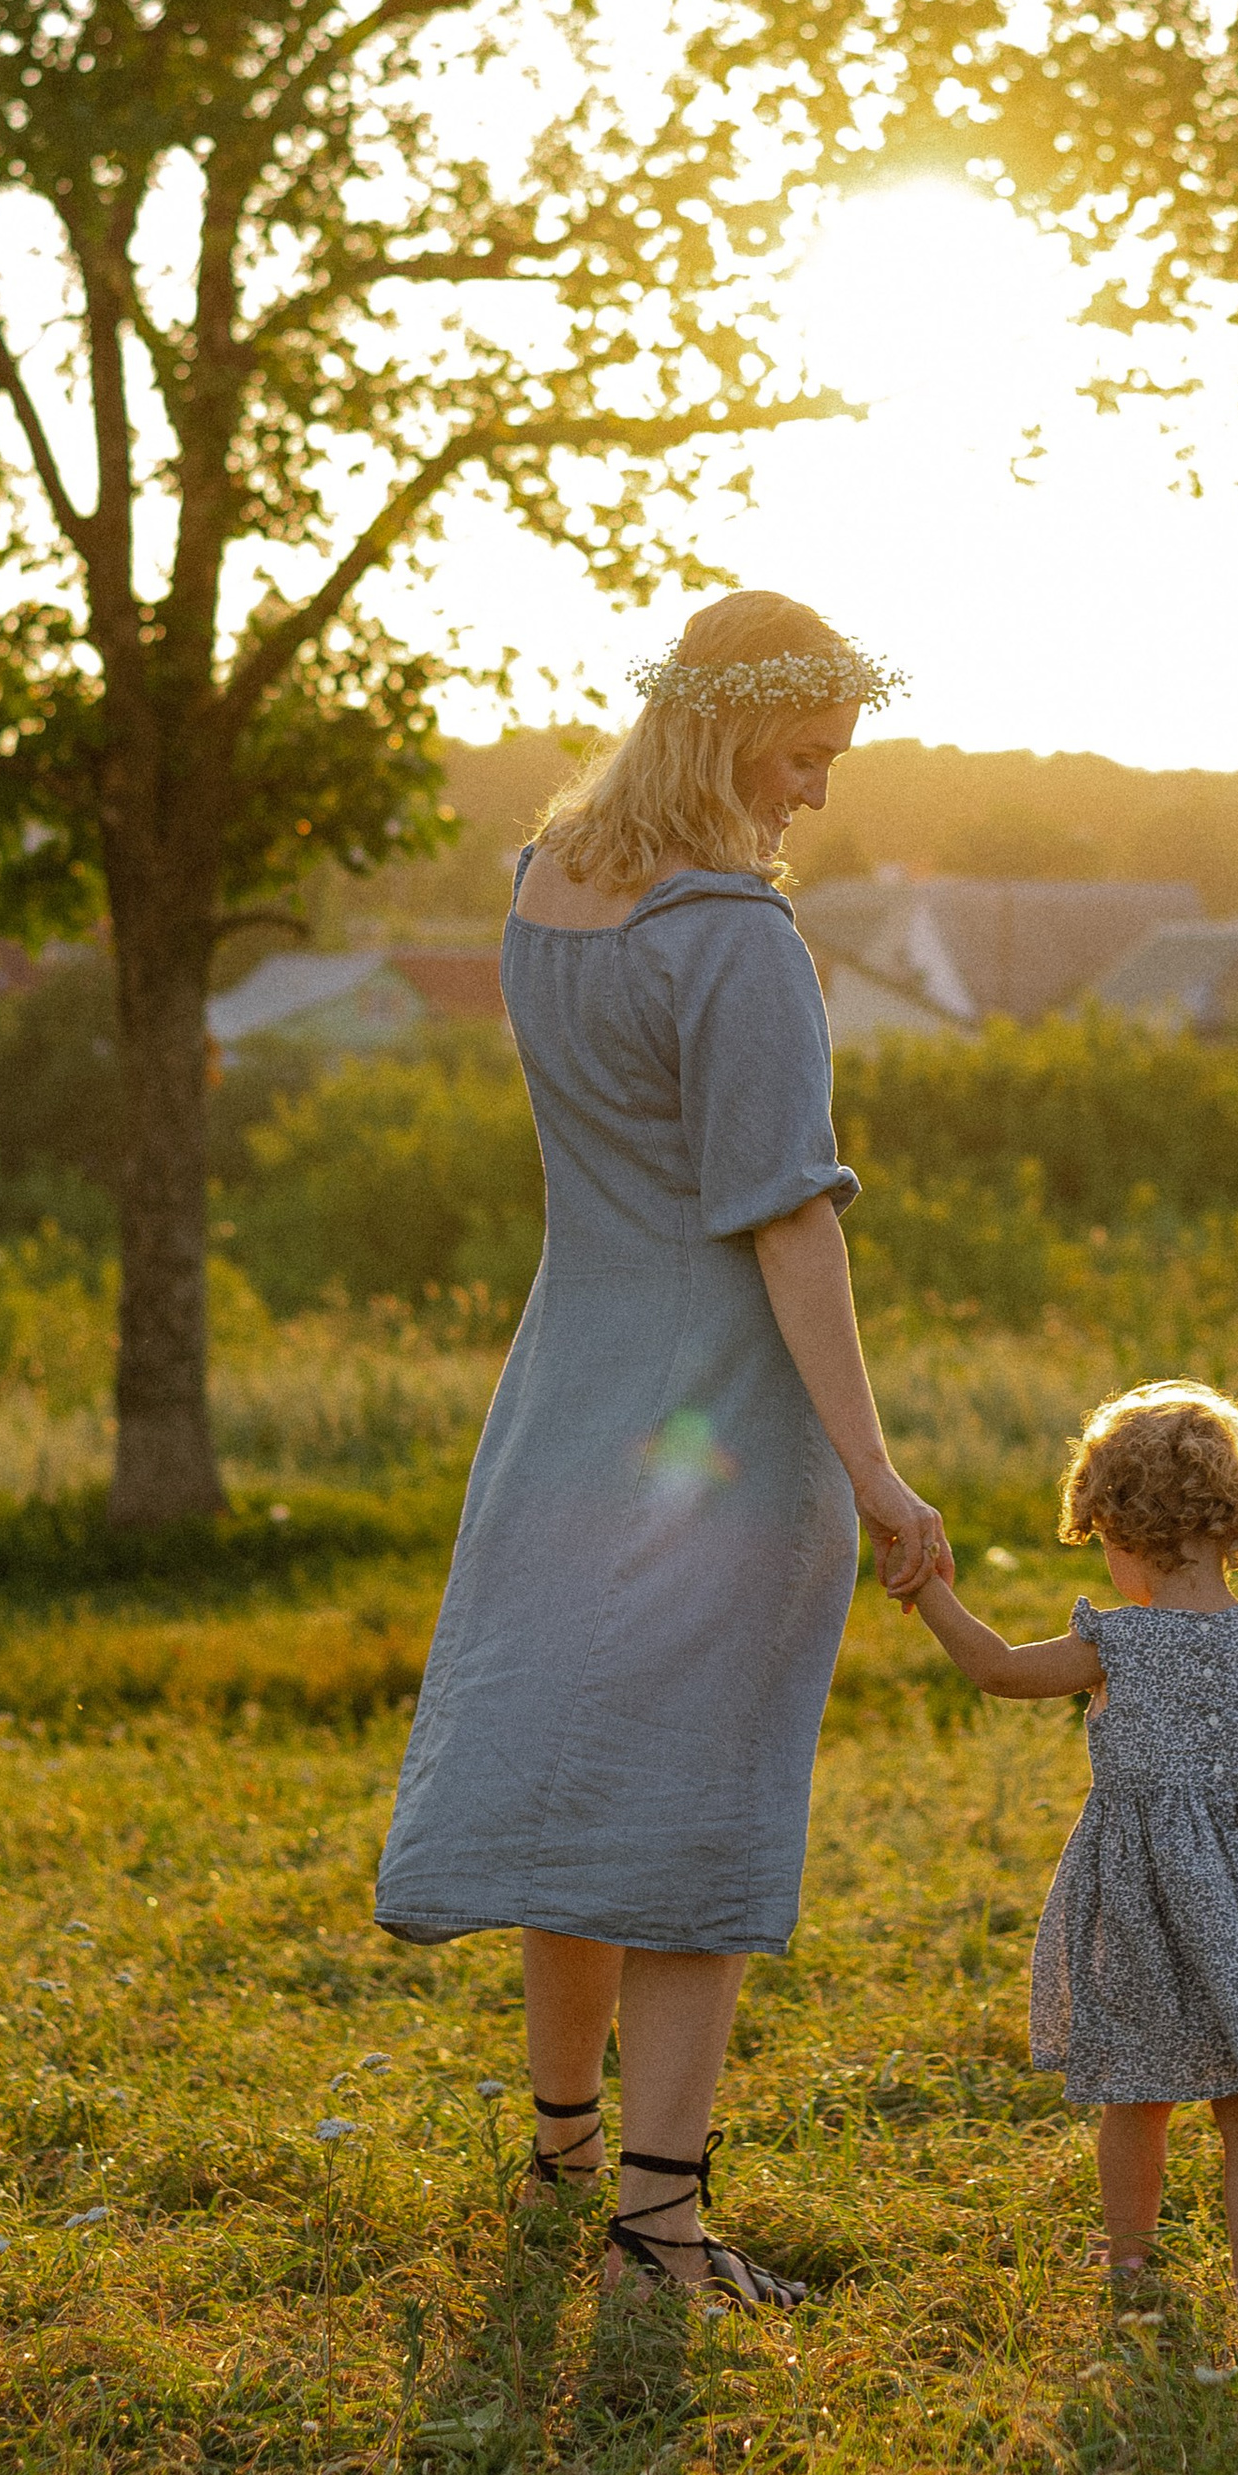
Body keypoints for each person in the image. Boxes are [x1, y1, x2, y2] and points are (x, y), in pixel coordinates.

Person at [374, 589, 953, 2307]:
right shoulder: (734, 938)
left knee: (580, 1775)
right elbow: (791, 1225)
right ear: (727, 726)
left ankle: (564, 2145)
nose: (821, 793)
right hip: (718, 1420)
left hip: (570, 1401)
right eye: (807, 750)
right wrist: (875, 1469)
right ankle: (659, 2225)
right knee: (696, 1816)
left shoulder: (545, 895)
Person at [900, 1381, 1238, 2311]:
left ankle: (1131, 2267)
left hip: (1146, 1902)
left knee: (1135, 2095)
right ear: (1235, 1524)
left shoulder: (1122, 1644)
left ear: (1123, 1532)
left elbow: (998, 1670)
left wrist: (931, 1593)